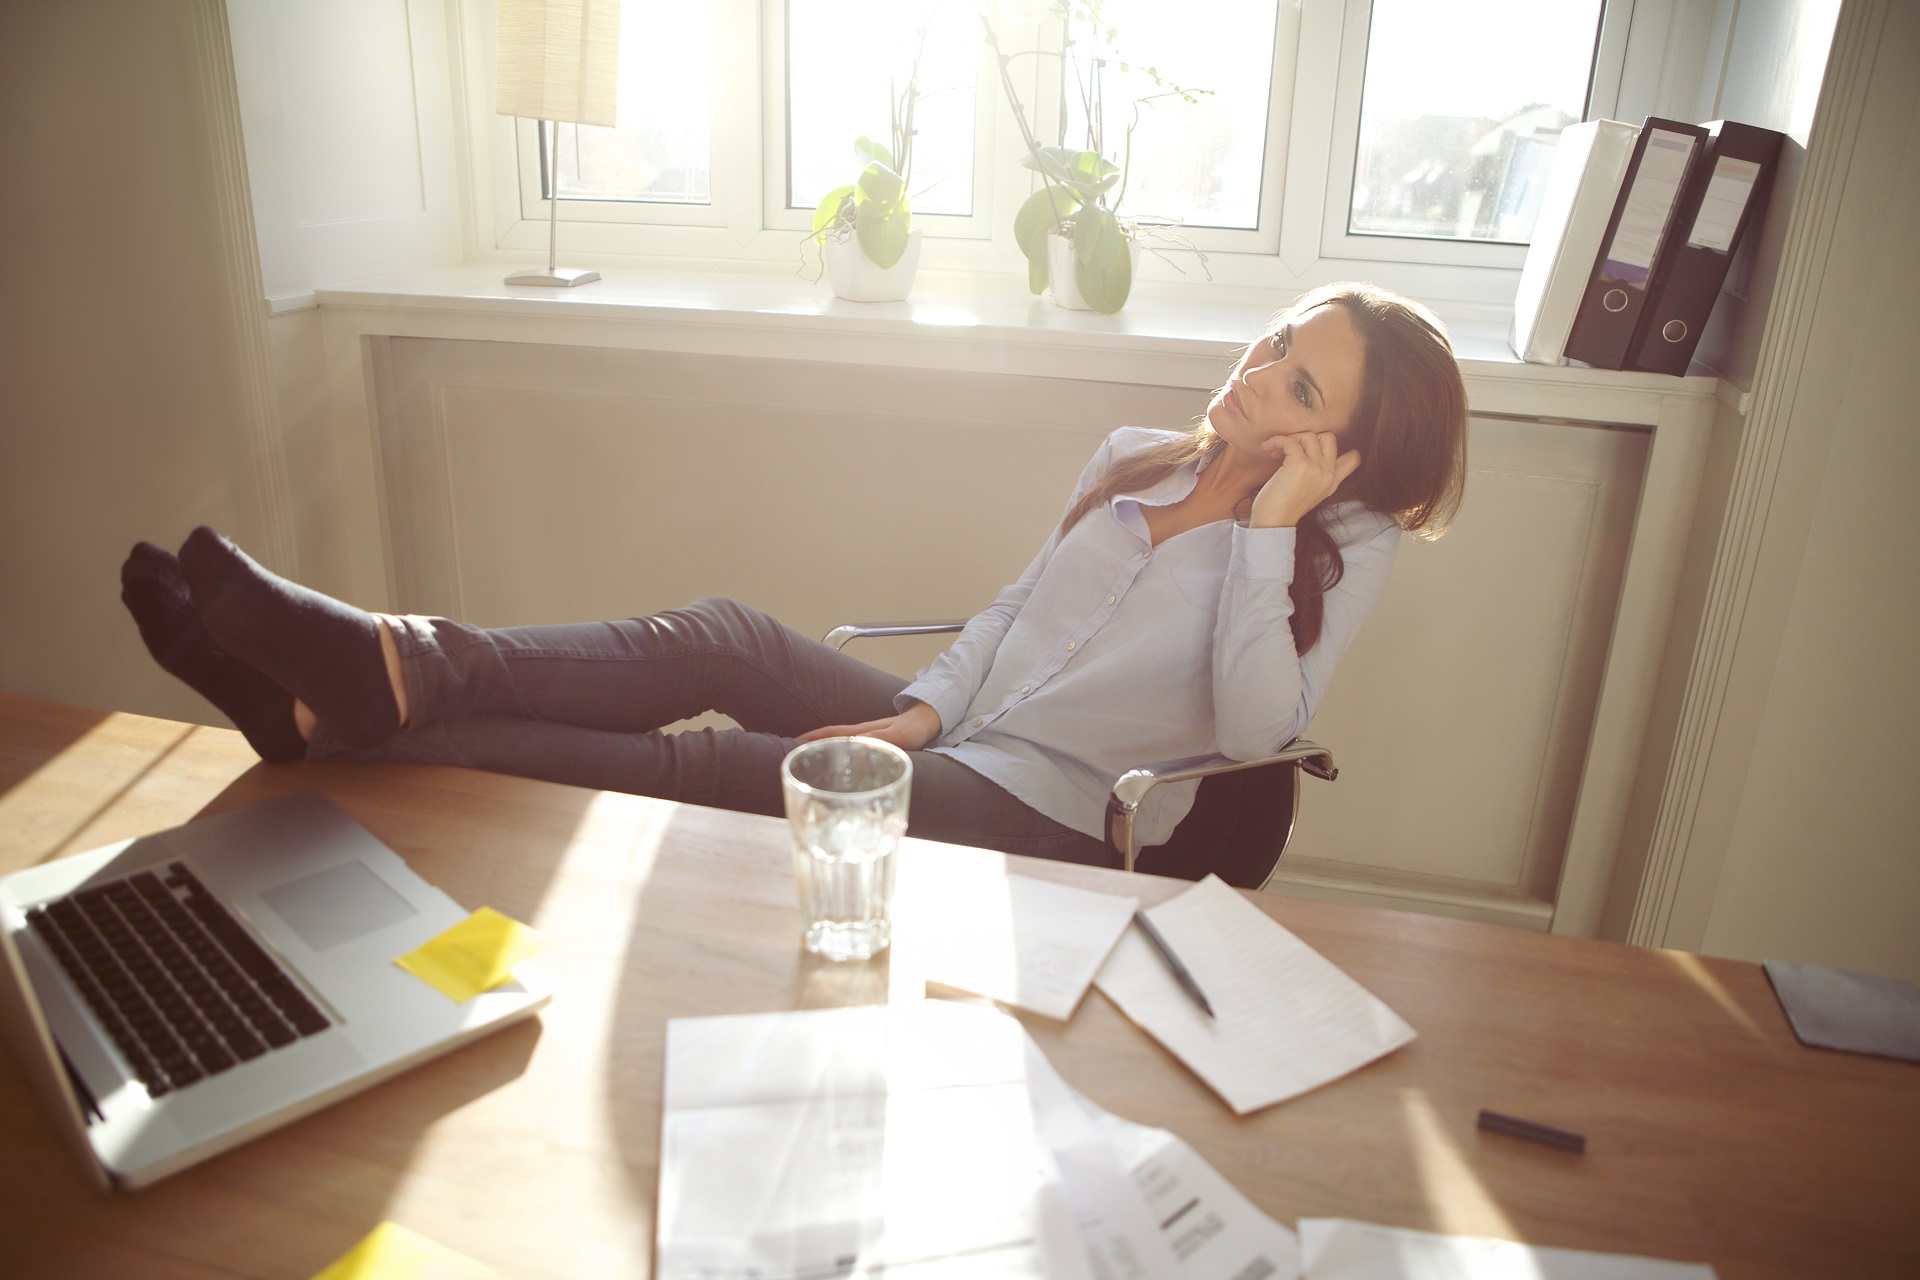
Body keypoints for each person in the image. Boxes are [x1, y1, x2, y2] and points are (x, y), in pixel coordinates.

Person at [120, 282, 1467, 869]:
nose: (1256, 370)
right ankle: (398, 671)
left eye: (1297, 381)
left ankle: (342, 721)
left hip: (1061, 817)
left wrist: (1269, 523)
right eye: (1279, 335)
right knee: (729, 637)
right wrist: (914, 719)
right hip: (966, 733)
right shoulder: (1135, 456)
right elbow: (1006, 619)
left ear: (1343, 449)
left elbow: (1253, 737)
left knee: (729, 764)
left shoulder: (1328, 558)